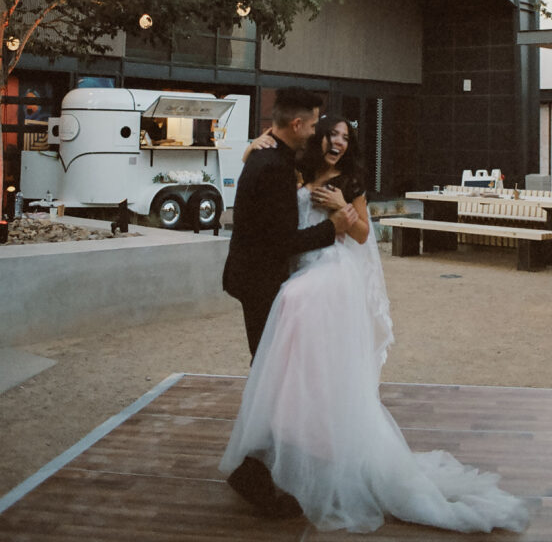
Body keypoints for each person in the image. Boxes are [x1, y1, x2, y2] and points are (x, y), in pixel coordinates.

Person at [220, 115, 529, 534]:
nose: (339, 143)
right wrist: (251, 146)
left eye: (347, 138)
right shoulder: (299, 168)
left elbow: (364, 236)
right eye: (333, 134)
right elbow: (269, 175)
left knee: (296, 301)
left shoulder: (351, 180)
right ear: (320, 135)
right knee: (294, 347)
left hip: (331, 266)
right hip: (299, 261)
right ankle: (289, 440)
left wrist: (343, 211)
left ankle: (301, 448)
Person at [222, 90, 358, 518]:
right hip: (263, 283)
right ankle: (254, 472)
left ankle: (268, 467)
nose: (321, 132)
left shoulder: (271, 158)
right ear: (297, 125)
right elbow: (281, 240)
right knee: (274, 381)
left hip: (257, 280)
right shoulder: (276, 166)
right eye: (316, 123)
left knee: (274, 377)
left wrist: (254, 141)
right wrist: (333, 227)